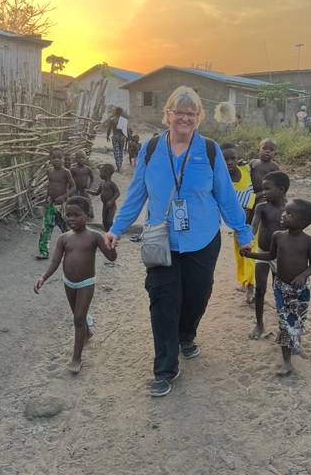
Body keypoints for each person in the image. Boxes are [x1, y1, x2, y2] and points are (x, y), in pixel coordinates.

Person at [104, 86, 253, 397]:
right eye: (178, 112)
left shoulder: (209, 151)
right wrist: (117, 228)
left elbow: (225, 196)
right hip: (161, 240)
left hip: (202, 239)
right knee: (163, 301)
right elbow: (136, 193)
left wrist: (243, 232)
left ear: (198, 118)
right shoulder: (150, 148)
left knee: (197, 295)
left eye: (191, 113)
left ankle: (187, 334)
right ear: (167, 115)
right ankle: (164, 369)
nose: (184, 118)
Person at [34, 196, 117, 373]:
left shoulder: (94, 237)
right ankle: (86, 332)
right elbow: (55, 262)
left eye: (76, 215)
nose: (71, 218)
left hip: (86, 283)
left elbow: (111, 257)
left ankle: (76, 358)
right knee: (78, 315)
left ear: (87, 215)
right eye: (68, 215)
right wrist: (43, 277)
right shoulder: (64, 238)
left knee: (78, 318)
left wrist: (112, 246)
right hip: (68, 282)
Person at [241, 199, 311, 375]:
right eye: (285, 211)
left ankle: (295, 339)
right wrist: (250, 254)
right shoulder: (278, 236)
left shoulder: (309, 242)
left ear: (303, 222)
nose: (283, 215)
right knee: (285, 323)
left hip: (301, 290)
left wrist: (302, 276)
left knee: (297, 320)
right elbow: (270, 255)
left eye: (290, 214)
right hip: (281, 287)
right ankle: (287, 362)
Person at [248, 171, 290, 339]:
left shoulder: (290, 209)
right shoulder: (262, 207)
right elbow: (253, 227)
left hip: (281, 256)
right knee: (260, 289)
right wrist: (247, 241)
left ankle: (283, 326)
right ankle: (259, 324)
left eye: (267, 189)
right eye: (262, 189)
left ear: (281, 189)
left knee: (280, 291)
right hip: (262, 254)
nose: (263, 192)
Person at [222, 144, 258, 304]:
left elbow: (261, 165)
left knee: (250, 253)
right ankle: (245, 281)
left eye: (233, 158)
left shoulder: (247, 170)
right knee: (240, 255)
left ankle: (251, 286)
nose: (229, 162)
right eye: (225, 159)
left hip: (253, 221)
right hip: (237, 224)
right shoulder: (221, 178)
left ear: (238, 158)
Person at [36, 148, 75, 260]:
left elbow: (73, 187)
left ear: (63, 159)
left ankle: (72, 250)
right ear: (50, 159)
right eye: (54, 157)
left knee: (66, 227)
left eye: (59, 157)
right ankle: (44, 252)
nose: (56, 160)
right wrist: (46, 197)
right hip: (51, 204)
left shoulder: (66, 172)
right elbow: (50, 185)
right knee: (46, 227)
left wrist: (63, 197)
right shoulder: (49, 171)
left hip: (62, 205)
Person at [88, 164, 120, 232]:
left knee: (109, 221)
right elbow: (97, 193)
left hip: (111, 206)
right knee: (104, 221)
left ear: (106, 174)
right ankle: (106, 233)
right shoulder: (102, 183)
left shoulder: (111, 184)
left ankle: (113, 233)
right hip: (105, 205)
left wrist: (111, 201)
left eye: (101, 173)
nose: (100, 175)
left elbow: (117, 193)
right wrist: (88, 191)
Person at [70, 150, 95, 219]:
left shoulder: (88, 169)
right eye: (79, 158)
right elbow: (69, 179)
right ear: (76, 159)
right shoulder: (73, 169)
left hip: (84, 190)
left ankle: (89, 214)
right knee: (75, 202)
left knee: (87, 202)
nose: (81, 159)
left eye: (83, 158)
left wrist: (89, 187)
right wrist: (71, 188)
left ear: (85, 158)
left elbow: (92, 178)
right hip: (76, 190)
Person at [106, 107, 129, 172]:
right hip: (122, 137)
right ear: (121, 112)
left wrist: (107, 136)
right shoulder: (124, 120)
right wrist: (128, 138)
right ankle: (120, 165)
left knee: (116, 151)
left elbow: (109, 129)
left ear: (115, 112)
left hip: (115, 137)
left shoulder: (112, 120)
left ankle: (118, 165)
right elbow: (126, 130)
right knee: (121, 151)